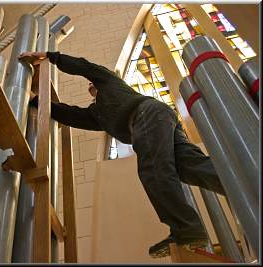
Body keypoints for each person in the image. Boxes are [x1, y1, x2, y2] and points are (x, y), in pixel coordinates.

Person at [19, 51, 226, 258]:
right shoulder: (98, 115)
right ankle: (248, 185)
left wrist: (51, 56)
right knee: (189, 167)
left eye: (92, 83)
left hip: (146, 113)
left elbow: (84, 66)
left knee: (153, 169)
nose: (89, 85)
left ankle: (187, 230)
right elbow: (70, 114)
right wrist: (37, 102)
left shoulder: (110, 81)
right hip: (159, 119)